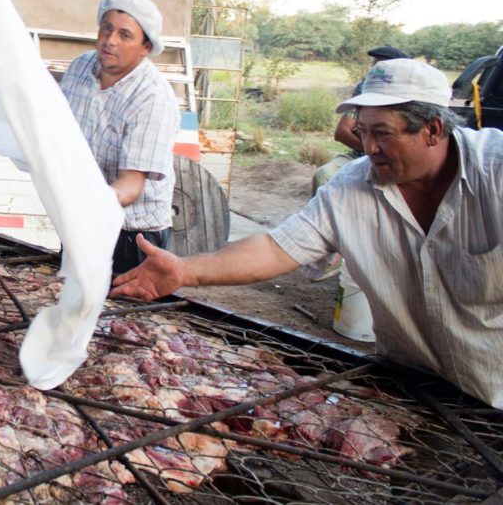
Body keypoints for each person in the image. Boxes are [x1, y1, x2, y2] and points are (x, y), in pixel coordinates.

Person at [110, 59, 503, 409]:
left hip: (494, 391)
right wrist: (184, 271)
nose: (368, 147)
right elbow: (277, 247)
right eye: (362, 132)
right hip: (411, 389)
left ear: (433, 129)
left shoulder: (495, 174)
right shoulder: (353, 185)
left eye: (383, 133)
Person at [60, 0, 180, 274]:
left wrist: (89, 205)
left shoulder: (152, 98)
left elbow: (131, 185)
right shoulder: (80, 68)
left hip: (133, 234)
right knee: (71, 302)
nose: (110, 40)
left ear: (145, 47)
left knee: (124, 316)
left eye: (125, 35)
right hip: (82, 221)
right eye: (107, 28)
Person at [311, 46, 409, 193]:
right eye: (374, 66)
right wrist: (373, 151)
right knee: (324, 174)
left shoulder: (410, 95)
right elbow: (343, 132)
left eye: (381, 68)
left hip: (399, 159)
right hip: (359, 156)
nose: (375, 72)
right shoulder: (364, 89)